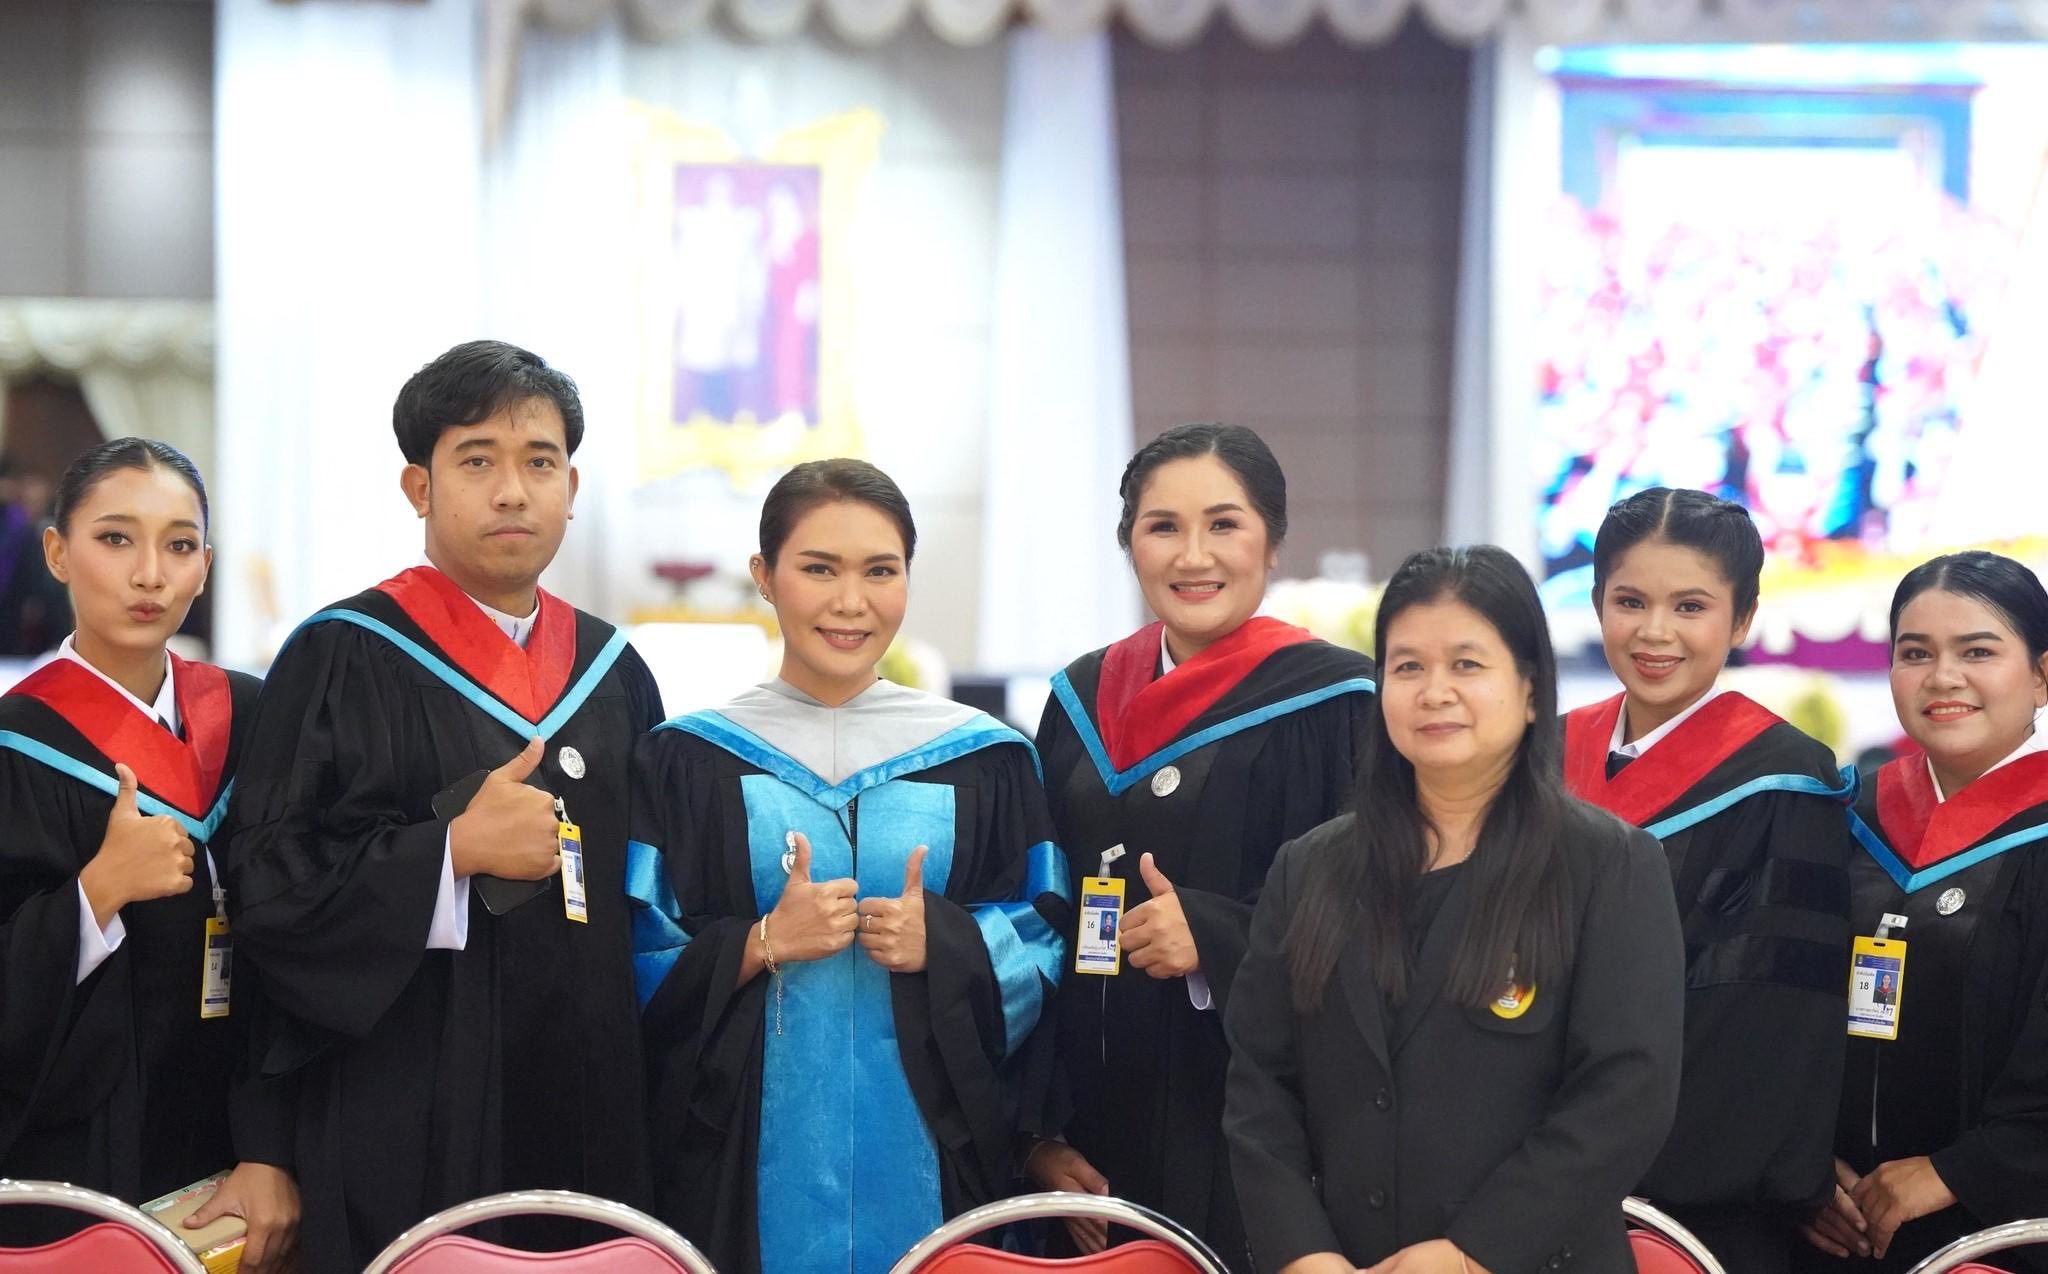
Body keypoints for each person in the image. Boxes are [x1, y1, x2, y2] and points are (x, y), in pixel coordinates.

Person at [222, 341, 665, 1271]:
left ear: (571, 488)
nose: (512, 492)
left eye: (538, 463)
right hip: (404, 1110)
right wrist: (448, 854)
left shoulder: (614, 674)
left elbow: (653, 907)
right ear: (417, 487)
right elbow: (267, 885)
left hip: (591, 1112)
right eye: (477, 461)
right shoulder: (341, 655)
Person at [627, 458, 1070, 1274]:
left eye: (880, 571)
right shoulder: (686, 760)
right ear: (765, 576)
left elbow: (1047, 939)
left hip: (940, 1156)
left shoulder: (986, 759)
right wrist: (760, 942)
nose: (850, 601)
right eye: (819, 569)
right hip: (738, 1167)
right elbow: (634, 956)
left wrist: (948, 943)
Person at [1225, 545, 1684, 1274]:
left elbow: (1626, 1094)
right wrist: (1302, 1253)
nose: (1434, 691)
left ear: (1530, 691)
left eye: (1466, 664)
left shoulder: (1609, 866)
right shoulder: (1309, 868)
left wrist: (1473, 1254)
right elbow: (1260, 1088)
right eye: (1407, 667)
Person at [1025, 423, 1376, 1265]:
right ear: (1129, 544)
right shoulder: (1079, 702)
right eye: (1163, 527)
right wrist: (1037, 1131)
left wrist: (1217, 937)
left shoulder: (1337, 704)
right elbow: (1035, 918)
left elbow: (1377, 918)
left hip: (1254, 1137)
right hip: (1093, 1138)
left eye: (1224, 524)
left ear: (1272, 542)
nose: (1193, 556)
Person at [0, 439, 298, 1267]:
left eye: (179, 545)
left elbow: (309, 944)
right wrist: (93, 895)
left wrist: (271, 1143)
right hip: (79, 1157)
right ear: (57, 552)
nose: (150, 575)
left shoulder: (256, 717)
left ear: (205, 567)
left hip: (246, 1148)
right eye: (115, 538)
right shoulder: (16, 746)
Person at [1563, 487, 1852, 1271]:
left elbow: (1767, 1019)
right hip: (1522, 1175)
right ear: (1598, 605)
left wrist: (1596, 1144)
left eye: (1690, 606)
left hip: (1689, 1197)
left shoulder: (1784, 781)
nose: (1655, 632)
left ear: (1743, 618)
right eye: (1630, 601)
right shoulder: (1544, 758)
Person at [1798, 551, 2048, 1272]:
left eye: (1978, 652)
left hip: (2000, 1233)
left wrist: (1955, 1173)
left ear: (2041, 674)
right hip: (1825, 1225)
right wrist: (1803, 1162)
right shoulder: (1845, 816)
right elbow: (1774, 1014)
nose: (1942, 677)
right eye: (1916, 653)